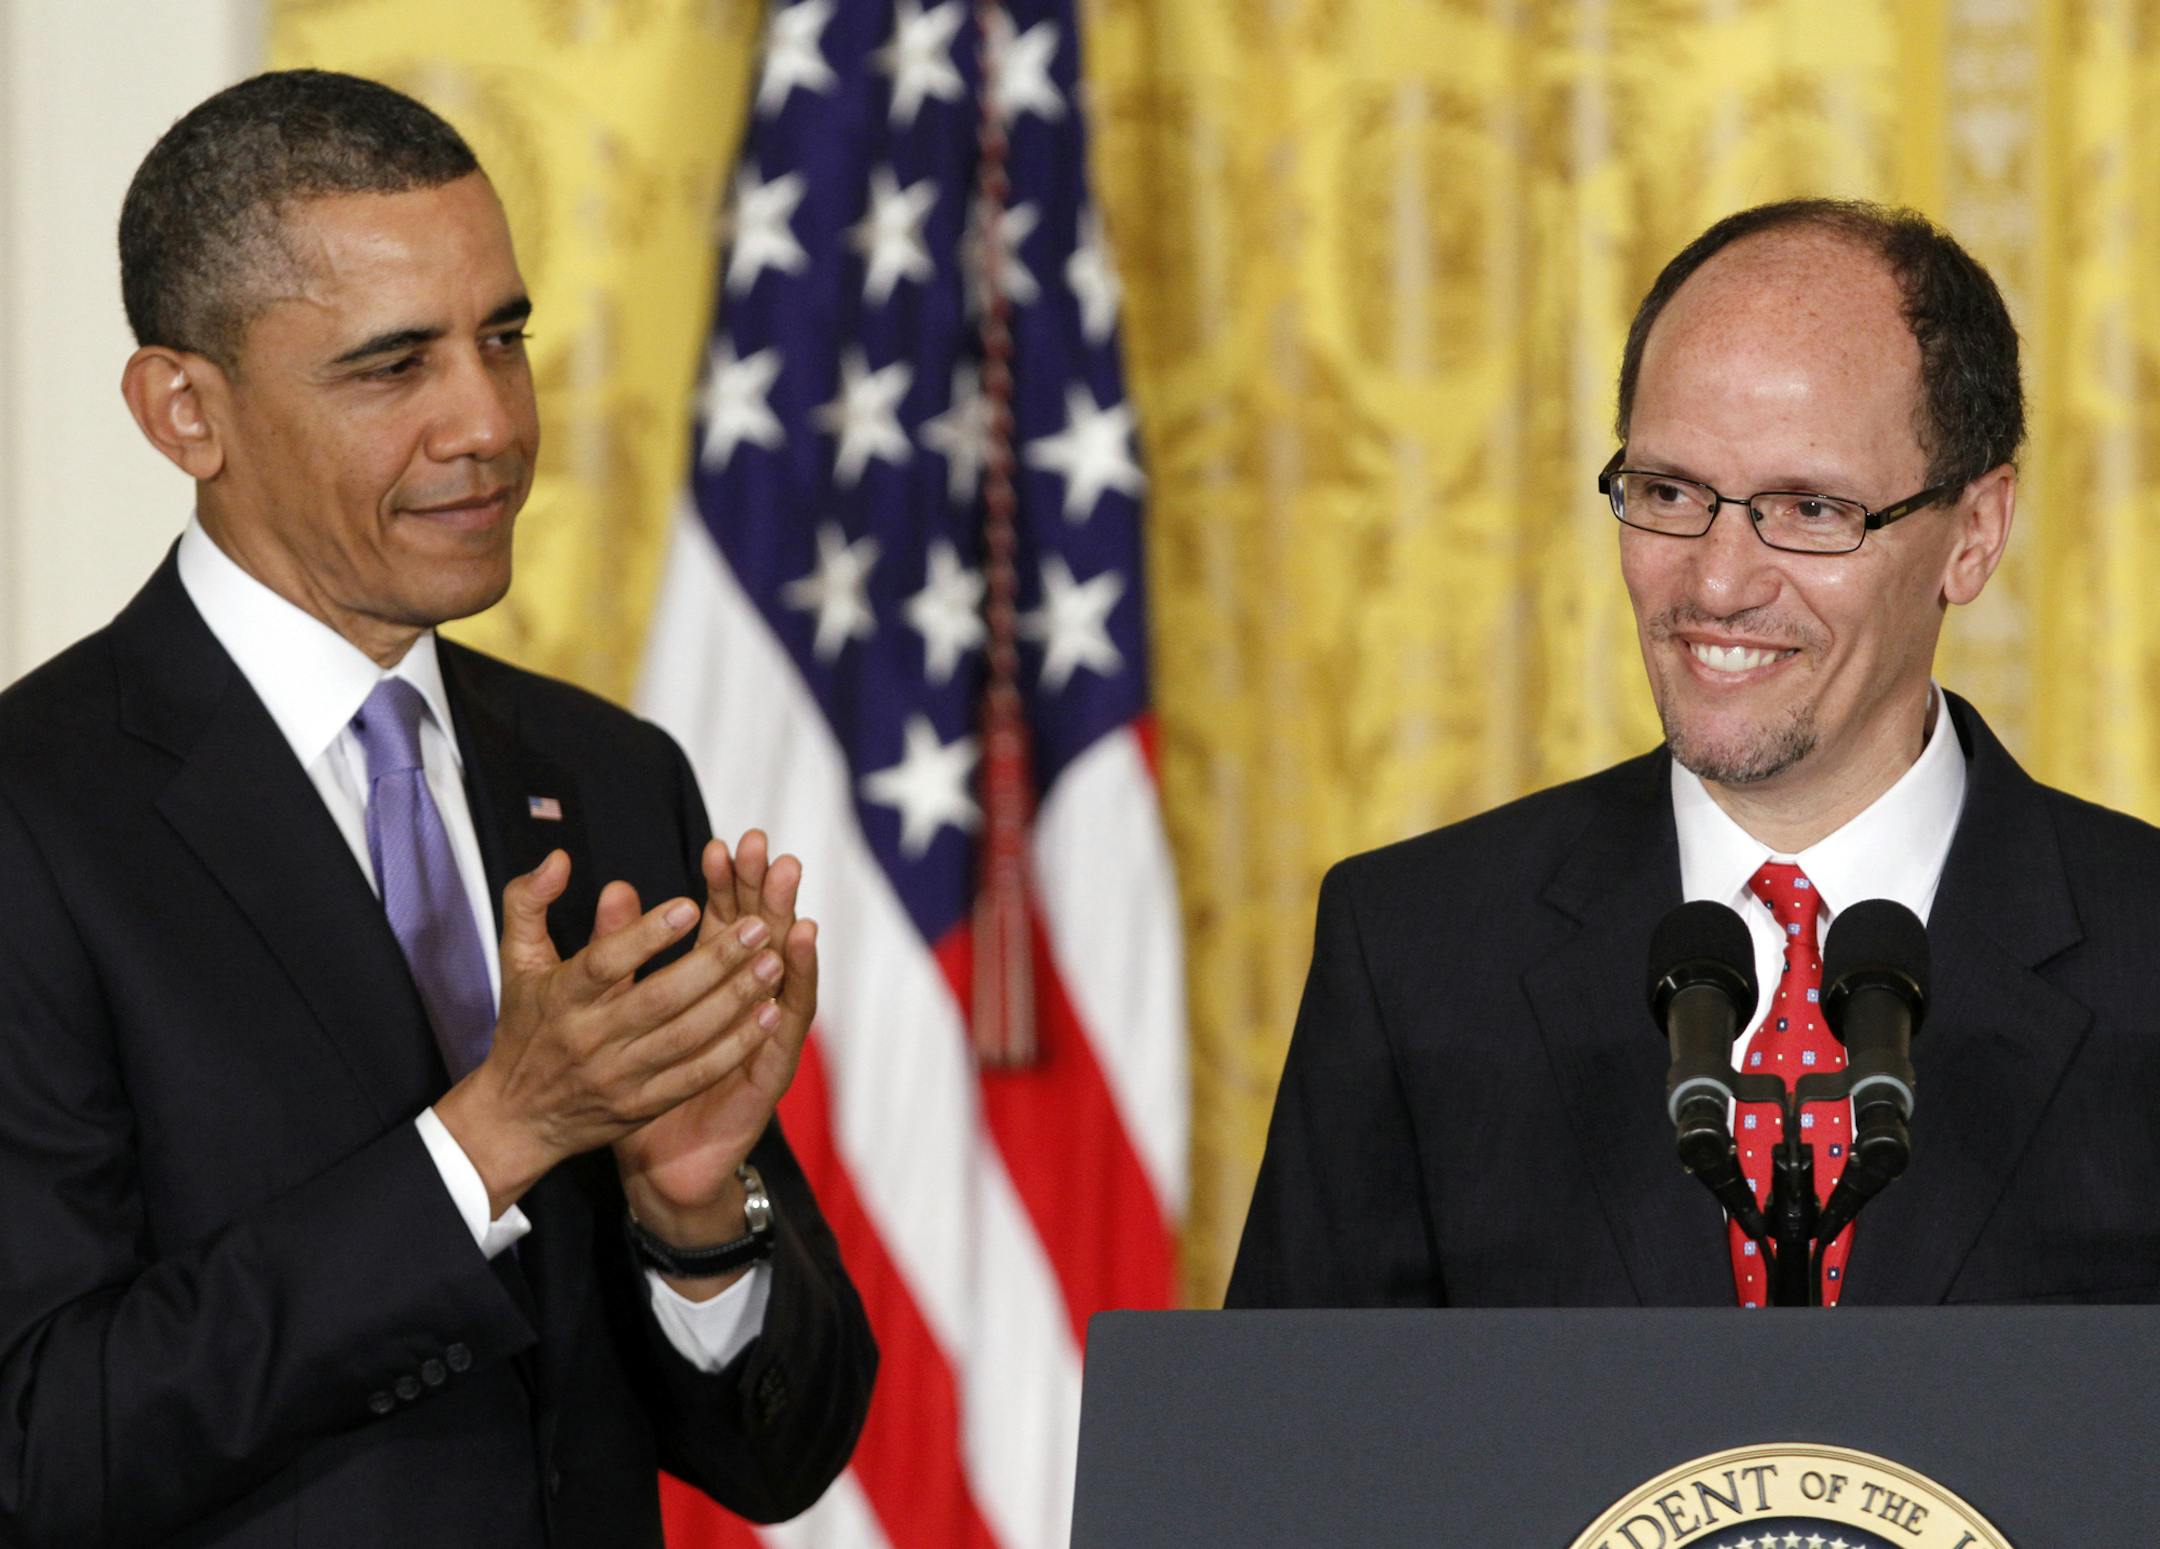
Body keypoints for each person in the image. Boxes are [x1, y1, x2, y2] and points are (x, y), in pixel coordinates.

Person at [0, 70, 873, 1546]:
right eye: (394, 365)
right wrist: (489, 1140)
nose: (489, 423)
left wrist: (691, 1216)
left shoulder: (605, 775)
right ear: (185, 412)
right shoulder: (39, 816)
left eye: (504, 338)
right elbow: (36, 1444)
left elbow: (770, 1458)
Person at [1228, 198, 2160, 1311]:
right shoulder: (1416, 956)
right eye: (1669, 493)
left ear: (1974, 534)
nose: (1716, 584)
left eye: (1808, 509)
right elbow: (1292, 1463)